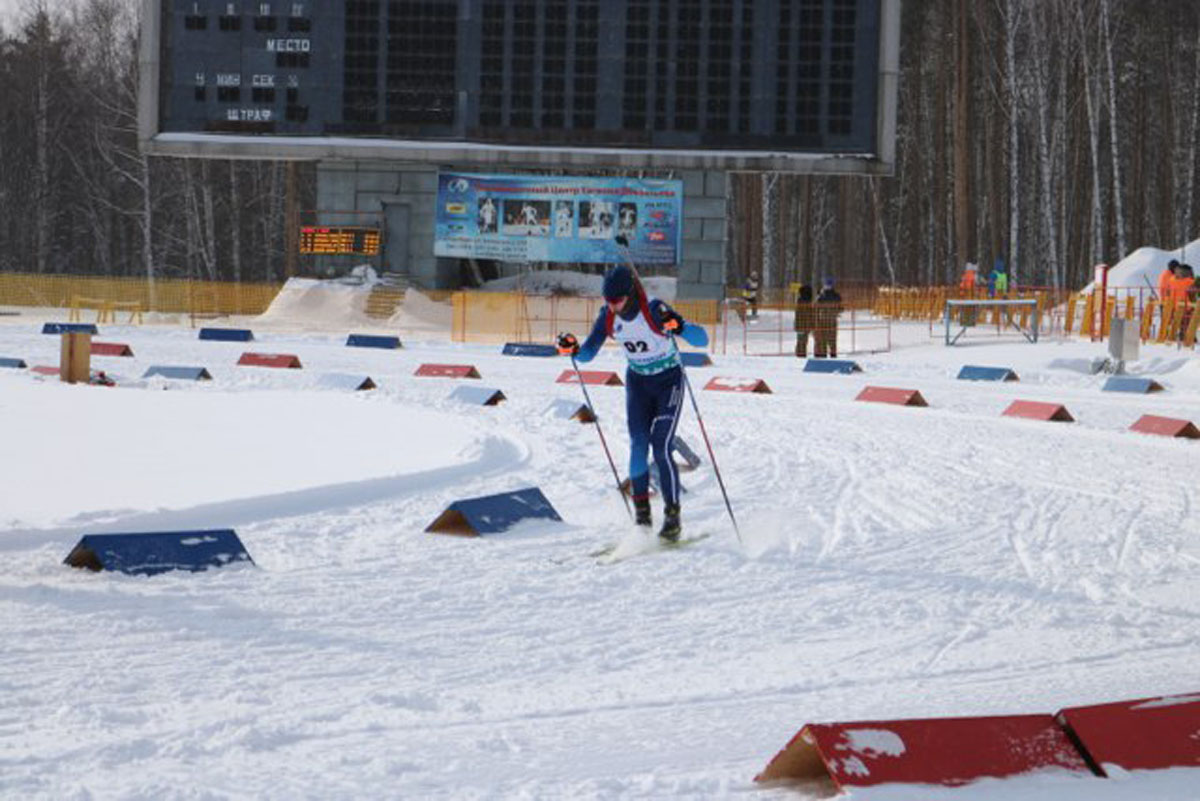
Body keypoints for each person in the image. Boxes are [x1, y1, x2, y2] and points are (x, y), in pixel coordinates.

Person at [556, 264, 709, 542]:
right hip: (638, 384)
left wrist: (679, 326)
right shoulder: (608, 316)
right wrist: (572, 349)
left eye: (617, 300)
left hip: (668, 381)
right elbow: (587, 353)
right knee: (638, 445)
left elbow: (702, 339)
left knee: (661, 445)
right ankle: (642, 519)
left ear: (630, 294)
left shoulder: (654, 310)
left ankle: (672, 517)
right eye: (608, 300)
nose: (612, 306)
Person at [814, 277, 842, 358]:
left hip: (822, 319)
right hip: (832, 320)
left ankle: (823, 354)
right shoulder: (836, 296)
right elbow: (840, 307)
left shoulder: (821, 295)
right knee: (832, 339)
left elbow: (816, 306)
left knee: (822, 338)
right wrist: (836, 311)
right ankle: (833, 354)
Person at [793, 284, 815, 357]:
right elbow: (810, 314)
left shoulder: (800, 301)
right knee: (803, 342)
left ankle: (800, 354)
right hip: (805, 325)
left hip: (800, 325)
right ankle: (801, 355)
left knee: (800, 341)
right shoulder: (808, 302)